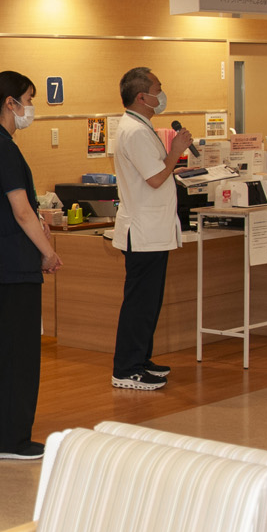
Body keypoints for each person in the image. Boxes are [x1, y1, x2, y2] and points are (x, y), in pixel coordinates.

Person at [0, 72, 60, 460]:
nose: (31, 107)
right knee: (18, 357)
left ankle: (5, 435)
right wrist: (48, 252)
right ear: (10, 103)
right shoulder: (2, 148)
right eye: (28, 98)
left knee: (10, 354)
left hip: (3, 265)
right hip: (13, 268)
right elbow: (22, 211)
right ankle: (9, 439)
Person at [110, 67, 191, 390]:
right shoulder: (135, 131)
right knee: (139, 303)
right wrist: (176, 151)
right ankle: (126, 368)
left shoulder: (141, 127)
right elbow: (156, 177)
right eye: (158, 88)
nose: (162, 93)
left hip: (153, 231)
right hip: (143, 232)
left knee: (150, 302)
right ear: (142, 96)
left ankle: (141, 359)